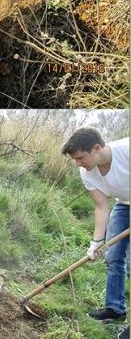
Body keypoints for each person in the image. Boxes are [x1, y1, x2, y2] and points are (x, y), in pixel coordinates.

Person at [61, 128, 129, 339]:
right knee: (113, 256)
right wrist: (96, 241)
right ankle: (114, 309)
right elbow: (101, 206)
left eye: (81, 157)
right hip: (124, 205)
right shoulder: (87, 172)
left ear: (97, 148)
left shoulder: (127, 150)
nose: (78, 163)